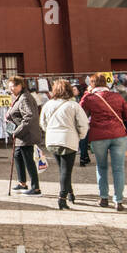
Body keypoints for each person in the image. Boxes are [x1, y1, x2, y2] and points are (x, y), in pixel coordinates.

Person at [80, 73, 127, 211]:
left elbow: (80, 114)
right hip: (118, 135)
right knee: (118, 169)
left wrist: (86, 94)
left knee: (101, 167)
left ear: (92, 84)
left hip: (98, 135)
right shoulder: (117, 96)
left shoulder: (90, 98)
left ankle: (104, 198)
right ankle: (119, 201)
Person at [40, 79, 89, 210]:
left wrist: (50, 132)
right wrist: (80, 136)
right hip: (68, 140)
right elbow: (83, 124)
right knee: (66, 170)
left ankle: (70, 193)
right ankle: (62, 197)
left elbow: (43, 123)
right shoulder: (73, 105)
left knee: (63, 168)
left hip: (52, 140)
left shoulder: (48, 104)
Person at [5, 75, 43, 195]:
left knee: (28, 160)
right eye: (10, 87)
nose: (11, 89)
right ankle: (22, 182)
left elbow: (29, 117)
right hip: (21, 135)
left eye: (14, 87)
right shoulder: (18, 97)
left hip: (26, 135)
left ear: (20, 86)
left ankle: (35, 187)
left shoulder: (25, 98)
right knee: (17, 156)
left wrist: (17, 131)